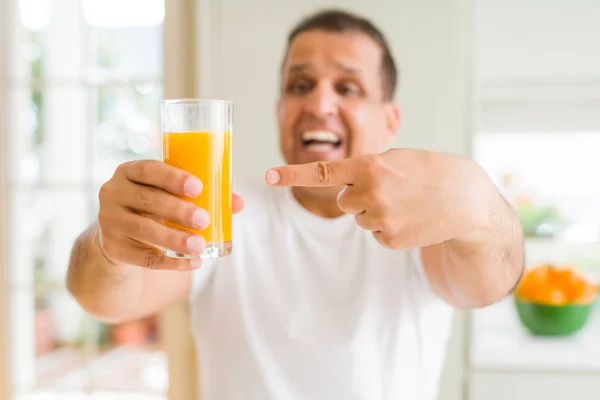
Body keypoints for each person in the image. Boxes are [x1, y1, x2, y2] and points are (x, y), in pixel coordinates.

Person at [66, 8, 524, 400]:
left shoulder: (424, 222)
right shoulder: (223, 212)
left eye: (348, 88)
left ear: (391, 120)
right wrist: (108, 243)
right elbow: (103, 299)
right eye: (300, 85)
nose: (319, 103)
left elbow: (490, 284)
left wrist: (479, 204)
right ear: (280, 110)